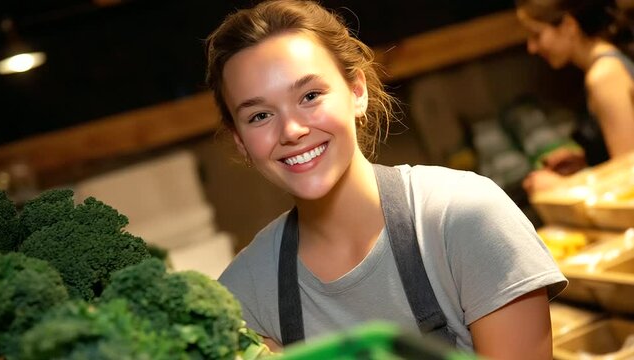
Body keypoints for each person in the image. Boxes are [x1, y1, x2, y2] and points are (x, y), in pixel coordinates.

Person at [207, 0, 567, 358]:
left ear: (357, 92)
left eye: (310, 95)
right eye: (259, 116)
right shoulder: (242, 299)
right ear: (240, 140)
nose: (292, 130)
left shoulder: (464, 218)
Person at [516, 0, 634, 193]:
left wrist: (563, 186)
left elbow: (629, 179)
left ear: (569, 26)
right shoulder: (609, 60)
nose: (532, 47)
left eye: (537, 35)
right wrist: (588, 159)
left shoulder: (604, 77)